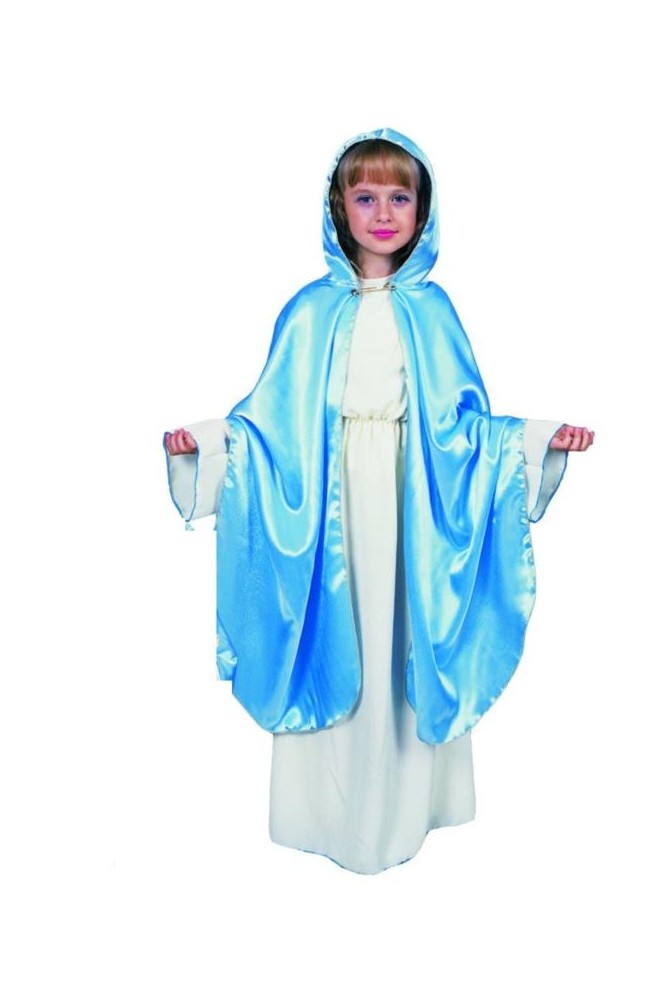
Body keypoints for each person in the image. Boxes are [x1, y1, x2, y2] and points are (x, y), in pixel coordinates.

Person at [164, 128, 593, 874]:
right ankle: (326, 814)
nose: (384, 213)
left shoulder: (433, 312)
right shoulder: (309, 312)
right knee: (341, 641)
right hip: (327, 512)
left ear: (423, 210)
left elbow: (464, 433)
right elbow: (267, 430)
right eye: (366, 198)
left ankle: (403, 813)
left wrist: (534, 440)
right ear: (340, 207)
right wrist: (204, 444)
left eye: (400, 197)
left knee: (399, 648)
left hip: (412, 510)